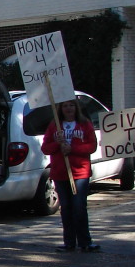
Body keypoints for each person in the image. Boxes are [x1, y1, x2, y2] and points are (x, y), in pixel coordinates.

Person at [41, 99, 100, 252]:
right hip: (61, 173)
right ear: (61, 108)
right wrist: (57, 144)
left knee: (79, 207)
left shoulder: (84, 123)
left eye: (71, 105)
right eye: (65, 105)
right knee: (66, 208)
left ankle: (85, 242)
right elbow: (45, 148)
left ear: (76, 107)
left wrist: (72, 148)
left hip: (80, 172)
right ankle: (69, 242)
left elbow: (92, 145)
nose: (68, 108)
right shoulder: (55, 125)